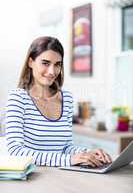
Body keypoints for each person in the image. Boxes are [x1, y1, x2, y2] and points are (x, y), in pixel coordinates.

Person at [5, 36, 112, 167]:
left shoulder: (66, 98)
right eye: (45, 63)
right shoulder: (18, 99)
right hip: (32, 179)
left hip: (61, 177)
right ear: (30, 62)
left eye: (57, 65)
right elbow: (16, 152)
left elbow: (66, 147)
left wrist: (87, 153)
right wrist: (68, 160)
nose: (52, 71)